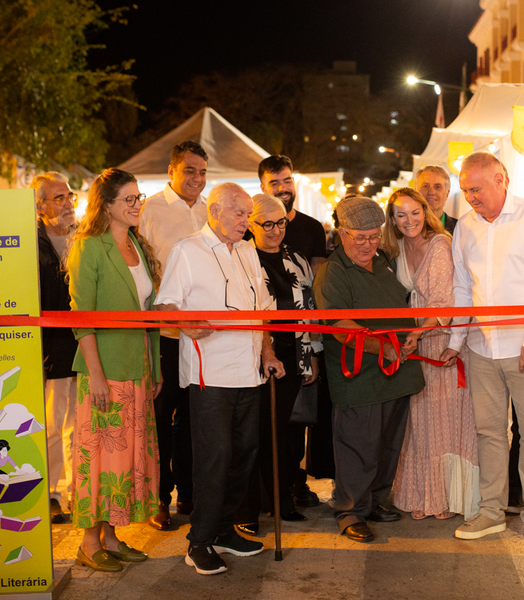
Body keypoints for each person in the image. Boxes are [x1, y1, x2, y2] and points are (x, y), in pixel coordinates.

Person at [155, 182, 285, 576]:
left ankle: (224, 530)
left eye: (249, 215)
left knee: (244, 455)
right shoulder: (188, 250)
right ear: (215, 211)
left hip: (249, 372)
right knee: (215, 458)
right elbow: (165, 307)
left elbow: (262, 309)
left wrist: (267, 351)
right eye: (241, 214)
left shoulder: (247, 250)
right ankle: (199, 542)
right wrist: (184, 323)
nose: (249, 222)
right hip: (209, 374)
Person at [441, 151, 524, 549]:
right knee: (489, 432)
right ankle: (490, 510)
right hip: (481, 347)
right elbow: (461, 288)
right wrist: (456, 340)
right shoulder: (465, 227)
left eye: (477, 188)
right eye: (465, 190)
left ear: (501, 179)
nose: (471, 197)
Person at [313, 196, 425, 543]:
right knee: (357, 444)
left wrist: (407, 338)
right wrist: (383, 347)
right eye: (358, 237)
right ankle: (349, 511)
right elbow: (339, 323)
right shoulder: (333, 271)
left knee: (388, 444)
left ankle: (375, 500)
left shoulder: (383, 262)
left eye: (373, 236)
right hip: (358, 374)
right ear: (341, 234)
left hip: (395, 372)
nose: (367, 244)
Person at [67, 168, 162, 572]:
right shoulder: (90, 247)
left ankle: (110, 535)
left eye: (139, 197)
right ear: (106, 205)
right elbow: (81, 317)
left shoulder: (138, 247)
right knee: (99, 458)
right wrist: (98, 375)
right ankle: (89, 542)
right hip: (104, 370)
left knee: (125, 460)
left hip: (137, 367)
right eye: (129, 199)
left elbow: (149, 315)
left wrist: (154, 366)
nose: (137, 204)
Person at [381, 188, 479, 521]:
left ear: (425, 212)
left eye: (414, 212)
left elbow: (445, 303)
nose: (409, 220)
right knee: (420, 423)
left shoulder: (440, 244)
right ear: (392, 220)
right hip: (416, 343)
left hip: (441, 340)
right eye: (400, 214)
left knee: (447, 421)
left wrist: (417, 332)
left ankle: (450, 499)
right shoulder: (397, 248)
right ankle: (423, 495)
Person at [235, 194, 323, 535]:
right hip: (252, 354)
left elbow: (310, 310)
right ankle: (249, 506)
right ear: (251, 225)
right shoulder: (241, 257)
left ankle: (282, 499)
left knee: (285, 433)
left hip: (293, 354)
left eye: (281, 222)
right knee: (253, 433)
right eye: (266, 224)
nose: (275, 230)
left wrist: (312, 353)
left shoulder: (296, 257)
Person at [138, 140, 209, 529]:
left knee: (194, 420)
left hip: (201, 337)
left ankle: (190, 494)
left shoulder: (208, 210)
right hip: (163, 333)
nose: (197, 179)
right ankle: (158, 500)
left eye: (202, 171)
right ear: (171, 171)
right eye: (189, 170)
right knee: (161, 420)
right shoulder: (149, 210)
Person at [259, 154, 334, 495]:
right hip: (265, 345)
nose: (282, 188)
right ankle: (270, 489)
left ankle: (296, 482)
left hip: (303, 339)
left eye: (286, 181)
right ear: (262, 186)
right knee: (269, 423)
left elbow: (314, 290)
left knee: (299, 418)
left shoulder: (310, 229)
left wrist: (314, 347)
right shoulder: (250, 240)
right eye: (274, 182)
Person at [31, 171, 78, 525]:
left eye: (69, 196)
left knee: (82, 426)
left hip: (86, 342)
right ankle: (51, 493)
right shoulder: (31, 243)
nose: (66, 204)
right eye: (58, 198)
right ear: (39, 204)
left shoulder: (85, 238)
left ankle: (81, 493)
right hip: (51, 346)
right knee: (52, 423)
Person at [415, 165, 458, 234]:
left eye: (438, 187)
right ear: (416, 192)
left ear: (447, 194)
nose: (431, 192)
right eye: (425, 186)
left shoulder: (460, 228)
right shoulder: (406, 228)